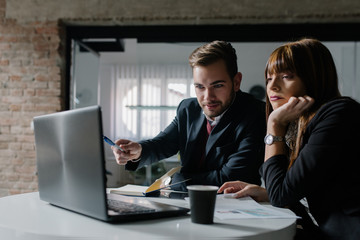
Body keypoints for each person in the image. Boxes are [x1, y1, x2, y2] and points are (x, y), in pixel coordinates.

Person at [218, 38, 360, 239]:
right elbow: (293, 189)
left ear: (313, 78)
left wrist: (274, 125)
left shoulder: (338, 114)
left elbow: (280, 195)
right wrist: (265, 192)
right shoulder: (296, 126)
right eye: (269, 78)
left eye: (286, 76)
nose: (273, 86)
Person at [112, 40, 266, 191]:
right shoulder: (188, 109)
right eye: (200, 87)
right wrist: (138, 151)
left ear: (237, 82)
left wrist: (176, 181)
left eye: (218, 86)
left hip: (236, 208)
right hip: (186, 203)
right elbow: (164, 143)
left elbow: (231, 178)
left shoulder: (256, 114)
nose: (208, 97)